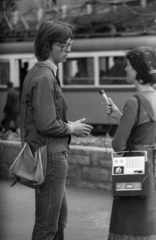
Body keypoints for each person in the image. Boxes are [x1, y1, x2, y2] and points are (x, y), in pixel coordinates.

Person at [20, 20, 93, 240]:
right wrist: (72, 128)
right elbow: (47, 124)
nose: (68, 50)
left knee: (57, 220)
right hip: (50, 156)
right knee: (48, 226)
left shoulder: (40, 73)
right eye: (64, 45)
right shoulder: (44, 77)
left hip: (47, 153)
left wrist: (69, 125)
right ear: (47, 45)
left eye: (70, 44)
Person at [105, 46, 156, 239]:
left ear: (137, 70)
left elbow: (118, 145)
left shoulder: (134, 102)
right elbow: (145, 129)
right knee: (147, 221)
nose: (125, 69)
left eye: (128, 66)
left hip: (133, 171)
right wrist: (121, 116)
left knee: (127, 221)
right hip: (151, 168)